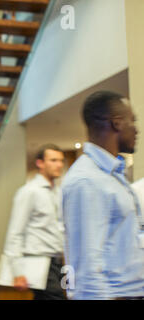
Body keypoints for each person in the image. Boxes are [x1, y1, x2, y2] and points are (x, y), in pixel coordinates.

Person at [62, 91, 144, 300]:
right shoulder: (87, 180)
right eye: (132, 121)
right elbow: (86, 265)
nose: (137, 129)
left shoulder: (112, 175)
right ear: (116, 123)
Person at [1, 144, 66, 300]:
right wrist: (17, 271)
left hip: (59, 262)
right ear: (40, 163)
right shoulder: (29, 191)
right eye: (53, 160)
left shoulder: (59, 193)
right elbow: (15, 232)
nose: (59, 165)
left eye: (61, 161)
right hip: (39, 263)